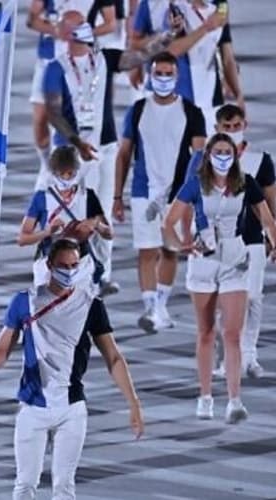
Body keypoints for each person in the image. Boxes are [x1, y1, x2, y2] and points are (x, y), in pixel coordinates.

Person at [0, 238, 143, 500]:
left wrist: (133, 402)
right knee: (25, 485)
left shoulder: (92, 305)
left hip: (71, 409)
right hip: (32, 407)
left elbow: (113, 358)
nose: (69, 271)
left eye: (74, 265)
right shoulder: (24, 302)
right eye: (63, 265)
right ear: (49, 265)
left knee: (64, 487)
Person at [42, 9, 174, 295]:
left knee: (103, 214)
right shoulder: (56, 68)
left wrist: (167, 37)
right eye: (79, 25)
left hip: (106, 146)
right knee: (78, 215)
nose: (88, 28)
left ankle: (103, 273)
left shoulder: (103, 58)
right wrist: (78, 143)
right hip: (73, 154)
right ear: (67, 33)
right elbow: (53, 113)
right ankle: (75, 271)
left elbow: (136, 57)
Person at [163, 133, 276, 423]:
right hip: (203, 261)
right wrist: (180, 245)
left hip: (234, 260)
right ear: (209, 155)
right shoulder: (195, 185)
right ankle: (205, 397)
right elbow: (169, 222)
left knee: (233, 334)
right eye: (218, 152)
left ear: (235, 156)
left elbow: (266, 218)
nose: (223, 156)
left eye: (228, 151)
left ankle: (235, 400)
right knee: (206, 332)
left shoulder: (245, 183)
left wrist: (274, 242)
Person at [113, 50, 206, 333]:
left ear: (177, 77)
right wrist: (117, 196)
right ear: (150, 76)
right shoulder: (138, 110)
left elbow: (199, 155)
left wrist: (194, 196)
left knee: (170, 250)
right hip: (144, 190)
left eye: (168, 74)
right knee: (146, 250)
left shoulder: (191, 111)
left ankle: (162, 304)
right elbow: (124, 153)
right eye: (158, 74)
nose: (163, 79)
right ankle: (150, 309)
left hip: (178, 192)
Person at [212, 104, 276, 379]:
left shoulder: (261, 160)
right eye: (227, 128)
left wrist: (273, 237)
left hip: (252, 239)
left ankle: (248, 355)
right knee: (222, 302)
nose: (232, 132)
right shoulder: (205, 161)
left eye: (236, 127)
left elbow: (271, 201)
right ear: (217, 129)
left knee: (252, 297)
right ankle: (226, 357)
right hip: (219, 243)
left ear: (244, 126)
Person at [26, 0, 117, 182]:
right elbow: (31, 20)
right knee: (40, 126)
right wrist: (57, 31)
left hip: (80, 61)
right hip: (49, 59)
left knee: (75, 118)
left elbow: (110, 23)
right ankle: (49, 164)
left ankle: (60, 170)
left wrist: (81, 34)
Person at [130, 0, 239, 132]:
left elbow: (226, 52)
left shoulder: (218, 5)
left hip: (208, 95)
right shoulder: (169, 8)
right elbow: (169, 50)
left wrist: (238, 95)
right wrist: (136, 64)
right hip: (171, 93)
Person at [19, 145, 113, 288]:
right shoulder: (42, 198)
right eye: (60, 174)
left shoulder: (88, 196)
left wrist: (96, 225)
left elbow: (109, 234)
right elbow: (22, 239)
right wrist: (47, 232)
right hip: (50, 261)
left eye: (70, 173)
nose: (65, 178)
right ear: (53, 173)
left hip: (81, 262)